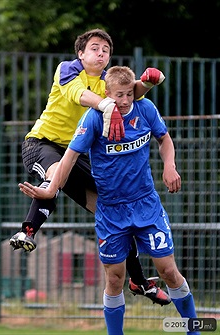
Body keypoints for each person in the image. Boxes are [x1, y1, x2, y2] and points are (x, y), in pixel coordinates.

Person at [18, 65, 200, 335]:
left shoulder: (146, 108)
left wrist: (170, 166)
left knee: (169, 272)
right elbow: (68, 158)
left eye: (129, 94)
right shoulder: (93, 119)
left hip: (146, 205)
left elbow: (164, 139)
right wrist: (50, 190)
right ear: (107, 93)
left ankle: (193, 329)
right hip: (111, 212)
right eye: (119, 96)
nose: (125, 101)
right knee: (114, 279)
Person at [10, 28, 170, 305]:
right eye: (94, 48)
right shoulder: (67, 70)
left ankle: (138, 281)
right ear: (81, 53)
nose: (100, 53)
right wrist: (107, 106)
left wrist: (148, 81)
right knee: (54, 175)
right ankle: (28, 231)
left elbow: (132, 93)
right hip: (43, 144)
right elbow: (78, 96)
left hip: (77, 156)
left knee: (115, 211)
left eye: (105, 50)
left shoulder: (108, 83)